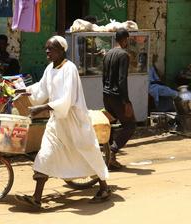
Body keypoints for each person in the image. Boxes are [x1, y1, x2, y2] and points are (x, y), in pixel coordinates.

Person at [14, 36, 111, 208]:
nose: (47, 52)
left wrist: (42, 107)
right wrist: (24, 90)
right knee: (45, 153)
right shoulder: (50, 69)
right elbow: (41, 88)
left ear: (61, 50)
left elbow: (67, 99)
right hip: (57, 120)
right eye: (46, 48)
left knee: (87, 152)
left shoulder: (70, 69)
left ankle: (104, 187)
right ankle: (37, 197)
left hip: (74, 120)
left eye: (50, 49)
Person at [102, 28, 136, 170]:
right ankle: (113, 152)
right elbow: (122, 80)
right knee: (130, 125)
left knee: (110, 125)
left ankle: (109, 157)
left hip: (106, 95)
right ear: (125, 40)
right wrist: (126, 101)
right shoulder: (123, 55)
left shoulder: (108, 54)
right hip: (117, 97)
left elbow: (103, 77)